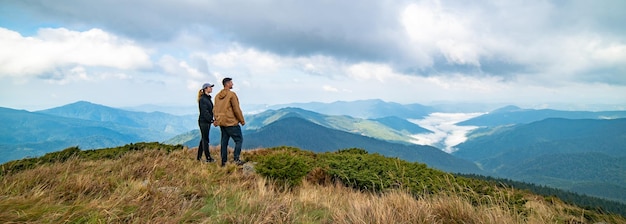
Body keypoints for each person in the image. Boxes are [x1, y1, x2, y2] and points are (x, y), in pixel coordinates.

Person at [213, 77, 245, 166]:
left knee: (224, 142)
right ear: (227, 84)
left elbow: (215, 109)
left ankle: (224, 162)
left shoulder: (217, 96)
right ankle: (236, 159)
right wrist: (241, 120)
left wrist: (216, 119)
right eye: (231, 83)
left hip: (222, 122)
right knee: (239, 140)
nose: (232, 84)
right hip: (231, 122)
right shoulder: (231, 95)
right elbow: (236, 109)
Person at [197, 83, 215, 163]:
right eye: (210, 87)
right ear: (205, 88)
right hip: (204, 121)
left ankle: (199, 157)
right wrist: (211, 120)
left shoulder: (207, 98)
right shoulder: (203, 99)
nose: (211, 88)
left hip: (206, 121)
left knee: (203, 139)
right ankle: (208, 158)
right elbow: (205, 112)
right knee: (205, 139)